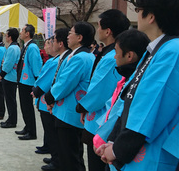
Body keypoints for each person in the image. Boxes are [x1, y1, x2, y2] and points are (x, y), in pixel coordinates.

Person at [98, 0, 179, 171]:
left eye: (138, 8)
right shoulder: (158, 49)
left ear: (151, 15)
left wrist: (119, 150)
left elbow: (149, 107)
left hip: (151, 154)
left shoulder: (171, 51)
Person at [76, 9, 131, 171]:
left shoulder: (111, 57)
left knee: (97, 163)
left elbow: (99, 91)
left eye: (99, 26)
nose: (97, 30)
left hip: (101, 120)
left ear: (108, 31)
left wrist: (82, 107)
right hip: (101, 117)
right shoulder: (110, 53)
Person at [44, 21, 95, 171]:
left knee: (69, 156)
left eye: (71, 33)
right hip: (70, 111)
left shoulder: (80, 58)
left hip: (68, 113)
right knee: (73, 154)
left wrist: (49, 97)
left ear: (79, 37)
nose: (68, 36)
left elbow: (64, 83)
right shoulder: (83, 56)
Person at [92, 29, 149, 160]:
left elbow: (118, 114)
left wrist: (105, 141)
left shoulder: (135, 81)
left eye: (117, 52)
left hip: (113, 145)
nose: (115, 56)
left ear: (129, 56)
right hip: (107, 140)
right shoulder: (125, 78)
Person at [33, 28, 71, 171]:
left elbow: (49, 80)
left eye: (50, 42)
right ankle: (54, 156)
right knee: (50, 132)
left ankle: (56, 160)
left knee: (54, 134)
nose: (47, 46)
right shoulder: (55, 59)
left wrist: (37, 91)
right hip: (45, 100)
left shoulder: (58, 60)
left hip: (48, 100)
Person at [15, 24, 43, 140]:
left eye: (22, 30)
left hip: (29, 81)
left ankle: (32, 132)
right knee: (24, 106)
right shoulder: (26, 46)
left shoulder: (32, 47)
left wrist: (37, 82)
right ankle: (27, 127)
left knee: (27, 107)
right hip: (23, 80)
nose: (20, 33)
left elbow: (36, 66)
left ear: (27, 33)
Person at [0, 28, 20, 128]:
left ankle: (12, 121)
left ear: (10, 37)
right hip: (11, 76)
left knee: (10, 100)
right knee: (10, 100)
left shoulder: (12, 48)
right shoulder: (14, 47)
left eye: (6, 35)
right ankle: (10, 119)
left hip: (10, 77)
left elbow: (8, 63)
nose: (5, 37)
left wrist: (2, 74)